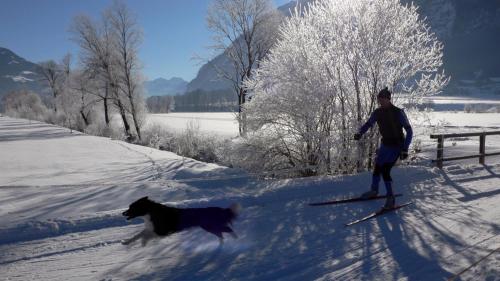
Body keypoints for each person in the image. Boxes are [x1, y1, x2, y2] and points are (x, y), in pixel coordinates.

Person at [353, 87, 413, 209]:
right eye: (379, 100)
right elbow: (369, 123)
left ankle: (391, 198)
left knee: (385, 170)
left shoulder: (398, 112)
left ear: (388, 99)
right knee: (377, 168)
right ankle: (374, 191)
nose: (380, 102)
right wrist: (360, 133)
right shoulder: (377, 112)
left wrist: (405, 149)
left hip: (397, 147)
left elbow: (409, 131)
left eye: (382, 100)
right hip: (385, 145)